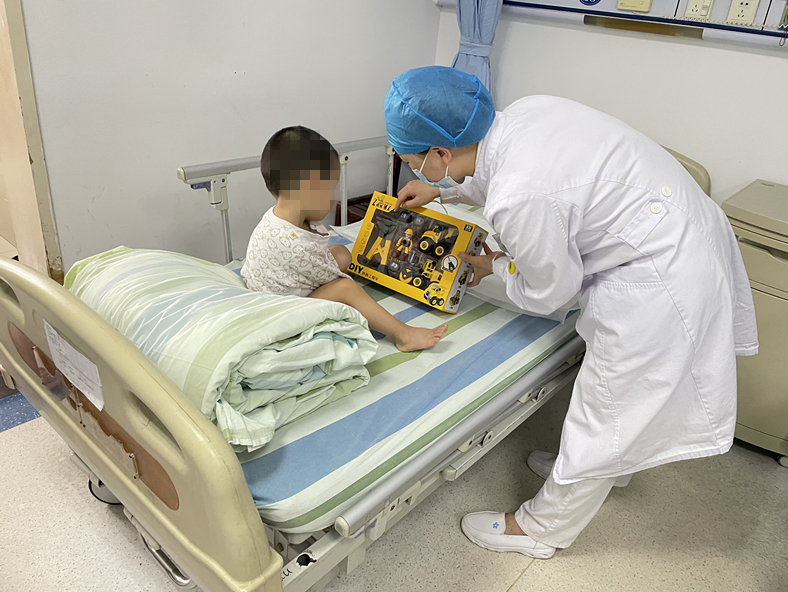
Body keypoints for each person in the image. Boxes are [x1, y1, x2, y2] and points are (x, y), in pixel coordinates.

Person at [384, 66, 758, 558]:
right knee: (623, 409)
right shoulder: (525, 113)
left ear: (440, 153)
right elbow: (503, 171)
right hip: (680, 226)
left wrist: (493, 266)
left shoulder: (519, 196)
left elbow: (548, 292)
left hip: (659, 276)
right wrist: (442, 191)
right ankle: (603, 470)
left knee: (605, 412)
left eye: (412, 161)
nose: (411, 168)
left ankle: (540, 529)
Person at [241, 126, 447, 352]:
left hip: (277, 291)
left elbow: (319, 262)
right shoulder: (294, 244)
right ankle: (404, 335)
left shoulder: (277, 220)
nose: (333, 200)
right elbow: (335, 280)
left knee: (341, 253)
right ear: (309, 189)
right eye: (329, 190)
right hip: (283, 314)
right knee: (346, 288)